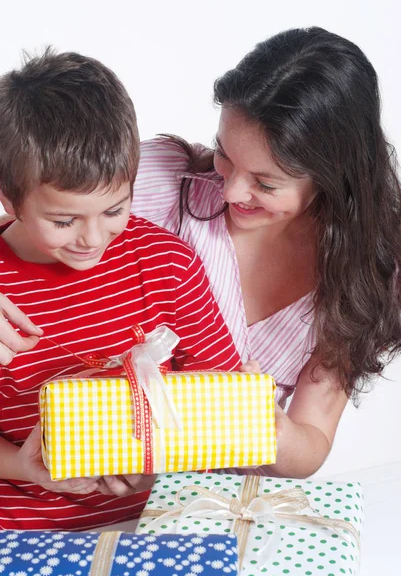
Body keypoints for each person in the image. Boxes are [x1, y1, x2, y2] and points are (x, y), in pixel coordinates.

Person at [131, 27, 401, 477]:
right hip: (78, 489)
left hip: (209, 507)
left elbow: (311, 440)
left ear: (334, 178)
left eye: (266, 182)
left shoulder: (364, 275)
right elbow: (34, 208)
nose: (231, 189)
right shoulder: (162, 181)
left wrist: (263, 426)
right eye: (225, 154)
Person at [0, 49, 242, 530]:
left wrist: (156, 463)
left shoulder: (165, 263)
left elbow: (222, 405)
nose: (92, 238)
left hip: (158, 519)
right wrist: (22, 467)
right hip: (22, 530)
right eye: (64, 220)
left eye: (114, 209)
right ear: (9, 199)